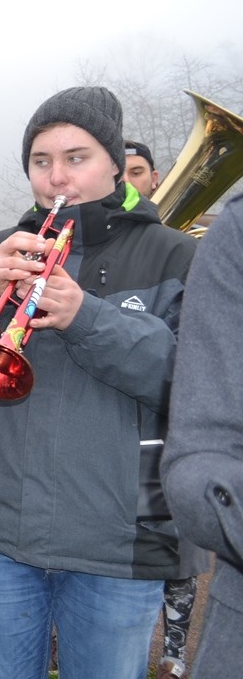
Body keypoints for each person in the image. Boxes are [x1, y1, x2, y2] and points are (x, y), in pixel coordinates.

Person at [0, 86, 197, 679]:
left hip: (118, 543)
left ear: (115, 164)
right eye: (41, 161)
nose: (57, 177)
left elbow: (193, 385)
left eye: (77, 158)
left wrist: (86, 317)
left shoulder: (177, 256)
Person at [121, 137, 212, 679]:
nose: (127, 180)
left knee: (177, 546)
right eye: (120, 171)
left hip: (174, 426)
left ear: (155, 178)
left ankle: (174, 653)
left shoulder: (188, 250)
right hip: (122, 424)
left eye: (137, 171)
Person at [162, 191, 243, 679]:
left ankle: (173, 651)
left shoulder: (177, 250)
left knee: (180, 572)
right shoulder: (235, 232)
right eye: (41, 161)